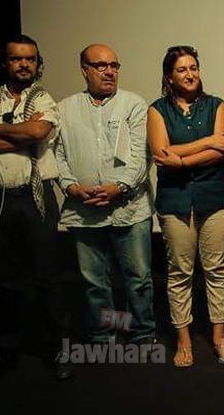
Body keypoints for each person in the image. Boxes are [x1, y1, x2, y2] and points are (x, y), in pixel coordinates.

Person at [0, 35, 71, 380]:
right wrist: (15, 136)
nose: (24, 64)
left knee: (47, 277)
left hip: (35, 196)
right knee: (5, 279)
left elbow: (37, 132)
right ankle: (6, 350)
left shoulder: (44, 99)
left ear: (38, 63)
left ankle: (57, 350)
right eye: (17, 59)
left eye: (30, 59)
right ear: (5, 63)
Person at [55, 43, 156, 352]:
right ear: (84, 70)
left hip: (130, 207)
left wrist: (119, 187)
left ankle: (142, 334)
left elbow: (142, 155)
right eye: (101, 66)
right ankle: (107, 336)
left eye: (114, 65)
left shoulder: (133, 104)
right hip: (84, 209)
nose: (109, 71)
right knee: (95, 281)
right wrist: (71, 187)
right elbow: (57, 155)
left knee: (138, 278)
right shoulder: (64, 109)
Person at [148, 45, 224, 367]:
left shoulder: (216, 105)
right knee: (179, 272)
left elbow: (222, 150)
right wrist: (206, 141)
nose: (190, 74)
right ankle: (183, 340)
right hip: (174, 199)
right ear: (169, 77)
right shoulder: (157, 110)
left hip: (215, 197)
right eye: (182, 69)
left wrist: (182, 158)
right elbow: (161, 154)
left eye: (194, 68)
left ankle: (219, 337)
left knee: (216, 268)